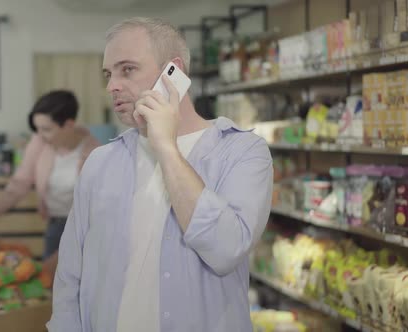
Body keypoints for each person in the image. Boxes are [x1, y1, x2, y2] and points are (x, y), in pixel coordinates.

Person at [48, 17, 273, 332]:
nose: (112, 85)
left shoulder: (242, 152)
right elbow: (70, 275)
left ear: (174, 73)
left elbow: (226, 250)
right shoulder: (100, 163)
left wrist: (166, 147)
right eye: (108, 74)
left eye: (127, 69)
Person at [0, 90, 100, 277]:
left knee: (76, 288)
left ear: (69, 125)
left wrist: (57, 260)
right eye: (37, 129)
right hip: (55, 226)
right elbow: (14, 192)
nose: (40, 135)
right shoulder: (40, 143)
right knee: (50, 289)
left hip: (84, 230)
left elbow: (93, 212)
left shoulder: (94, 151)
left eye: (46, 129)